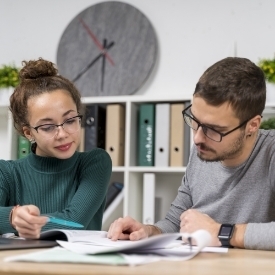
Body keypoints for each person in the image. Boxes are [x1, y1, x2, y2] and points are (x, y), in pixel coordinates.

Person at [108, 57, 275, 251]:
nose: (197, 138)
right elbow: (175, 221)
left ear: (252, 126)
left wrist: (219, 231)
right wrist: (147, 231)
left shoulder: (270, 152)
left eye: (214, 129)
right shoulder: (204, 149)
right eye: (195, 121)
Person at [0, 58, 112, 239]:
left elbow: (75, 221)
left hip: (77, 266)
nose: (62, 134)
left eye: (70, 120)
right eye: (47, 127)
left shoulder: (95, 162)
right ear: (28, 133)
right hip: (20, 265)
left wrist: (20, 223)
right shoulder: (6, 172)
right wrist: (12, 216)